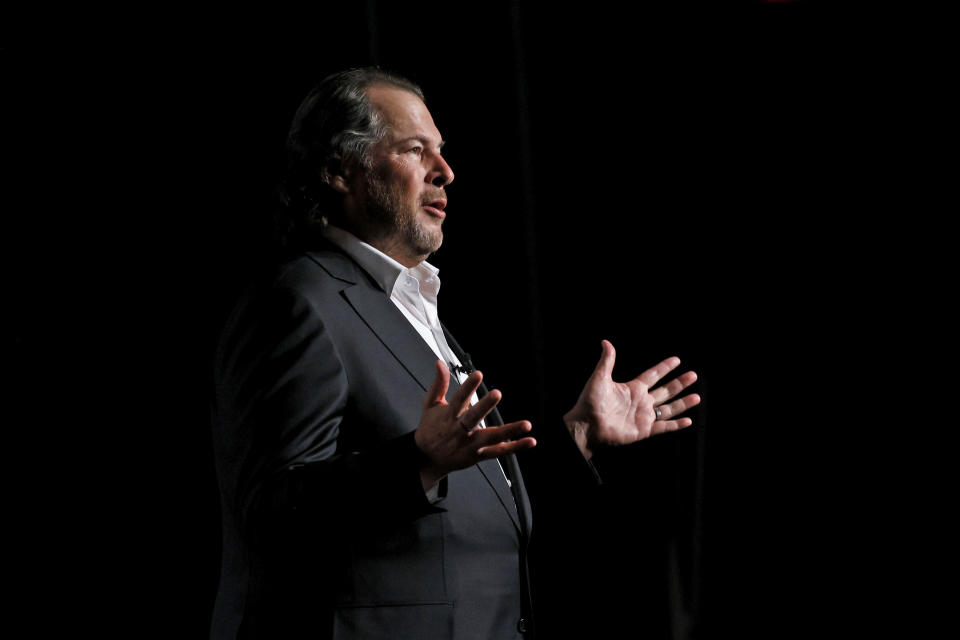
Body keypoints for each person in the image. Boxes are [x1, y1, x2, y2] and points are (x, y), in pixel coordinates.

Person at [210, 67, 701, 639]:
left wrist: (579, 436)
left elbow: (468, 496)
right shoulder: (297, 303)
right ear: (338, 171)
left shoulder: (410, 305)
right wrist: (418, 459)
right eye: (415, 151)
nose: (445, 172)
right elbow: (268, 517)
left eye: (440, 152)